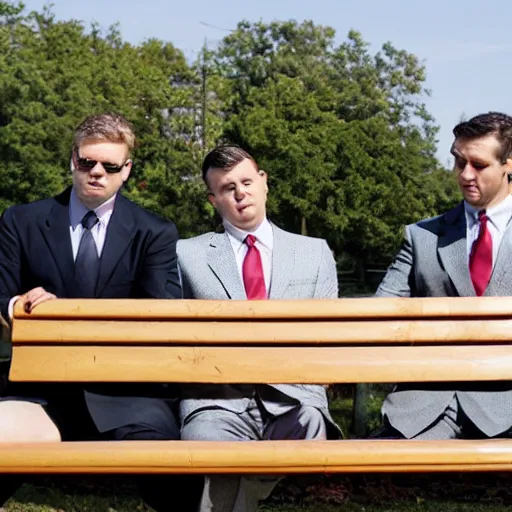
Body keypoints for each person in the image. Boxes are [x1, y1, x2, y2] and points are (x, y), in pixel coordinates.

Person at [0, 112, 201, 511]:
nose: (97, 172)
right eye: (87, 161)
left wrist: (71, 316)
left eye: (109, 165)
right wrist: (17, 307)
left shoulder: (155, 232)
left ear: (125, 170)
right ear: (72, 159)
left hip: (128, 394)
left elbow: (160, 317)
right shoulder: (20, 221)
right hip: (40, 391)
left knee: (173, 475)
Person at [177, 145, 341, 512]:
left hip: (295, 400)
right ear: (213, 199)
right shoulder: (186, 255)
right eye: (226, 188)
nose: (240, 193)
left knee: (311, 426)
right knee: (207, 443)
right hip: (217, 401)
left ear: (264, 183)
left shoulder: (314, 252)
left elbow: (328, 335)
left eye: (247, 182)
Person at [375, 111, 512, 440]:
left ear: (509, 164)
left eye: (478, 165)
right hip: (429, 401)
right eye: (458, 162)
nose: (465, 174)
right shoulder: (422, 236)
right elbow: (379, 316)